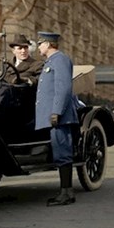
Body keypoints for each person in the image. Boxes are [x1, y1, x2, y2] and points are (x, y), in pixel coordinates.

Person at [35, 31, 79, 206]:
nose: (38, 47)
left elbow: (63, 88)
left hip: (60, 116)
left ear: (47, 44)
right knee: (60, 152)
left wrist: (56, 112)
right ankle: (66, 192)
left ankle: (66, 193)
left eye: (40, 44)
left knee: (63, 153)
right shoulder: (51, 62)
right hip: (55, 115)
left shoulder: (60, 60)